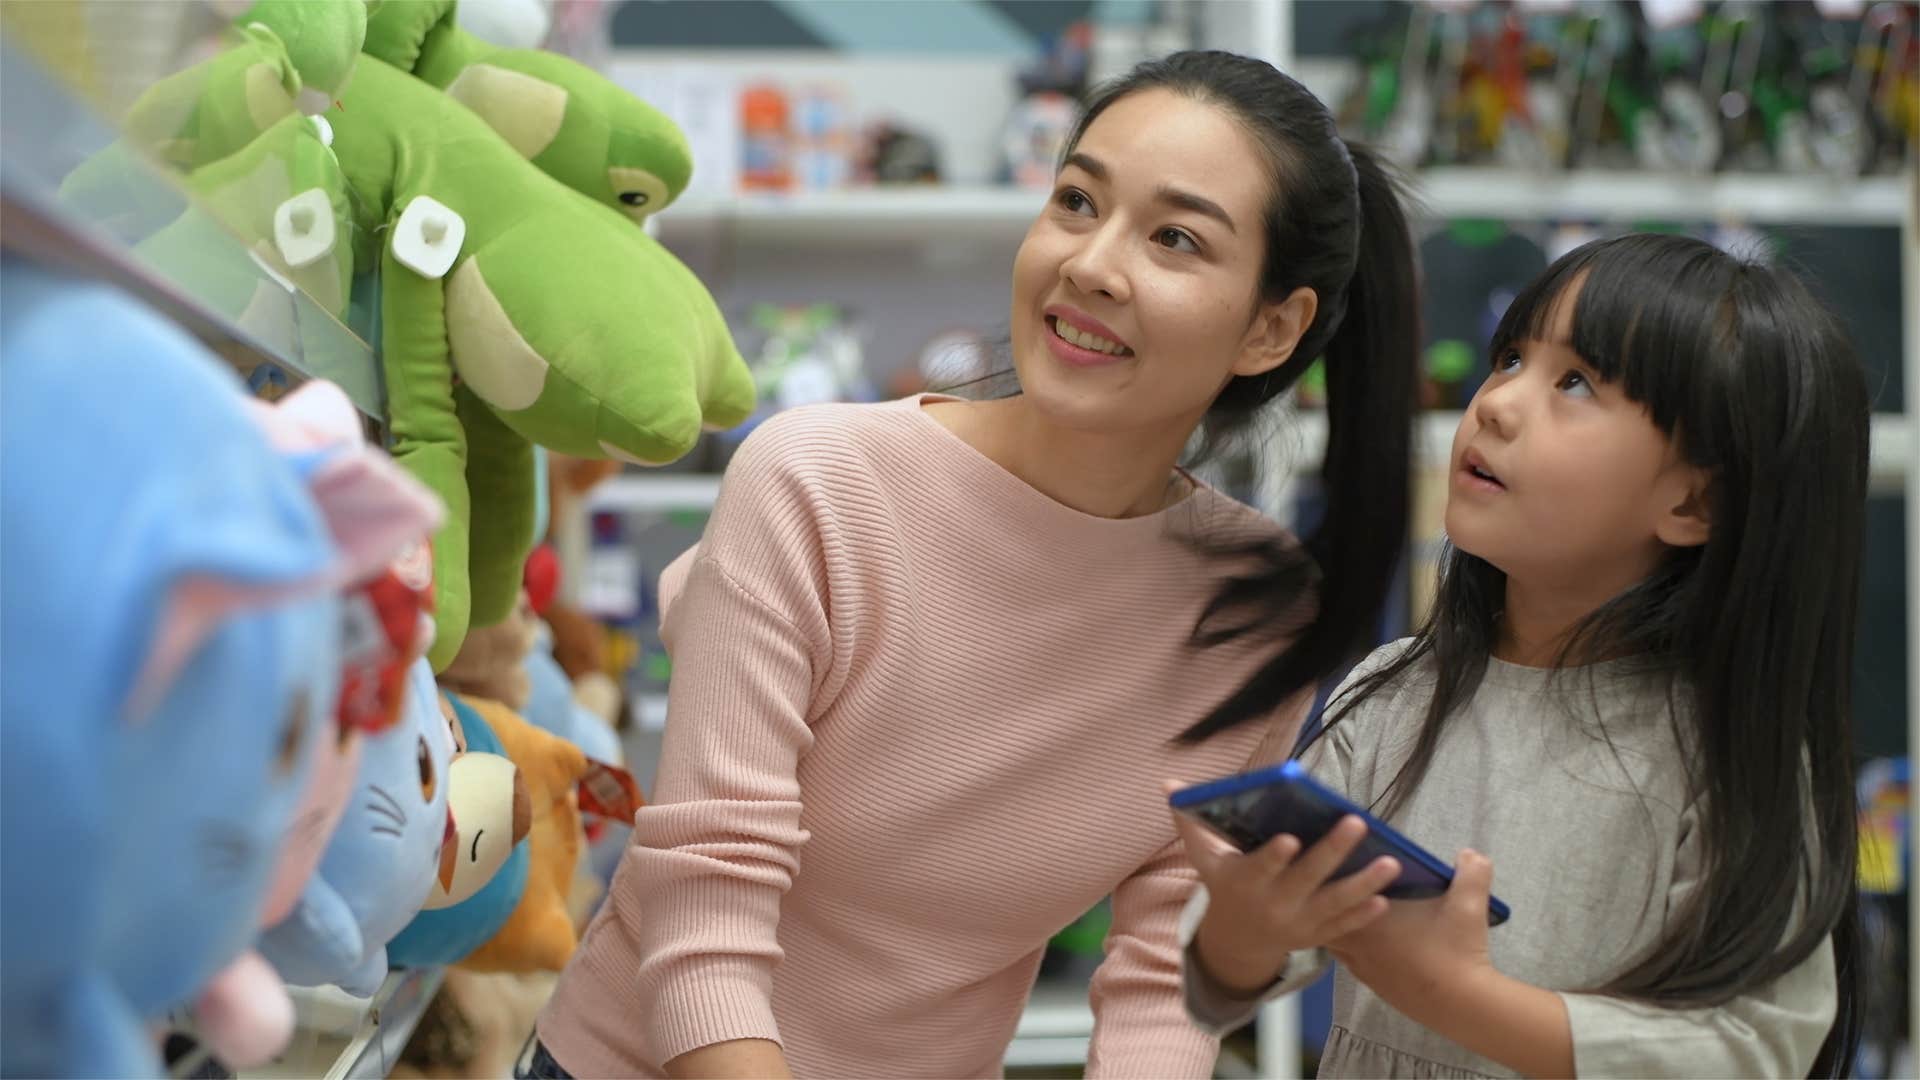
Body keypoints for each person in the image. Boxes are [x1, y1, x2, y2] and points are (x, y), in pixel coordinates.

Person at [529, 50, 1422, 1078]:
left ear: (1272, 328)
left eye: (1174, 238)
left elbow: (1162, 986)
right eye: (1078, 200)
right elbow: (708, 906)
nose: (1090, 262)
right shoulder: (816, 482)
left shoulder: (1254, 609)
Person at [1177, 233, 1867, 1078]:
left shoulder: (1725, 757)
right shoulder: (1390, 698)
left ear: (1694, 498)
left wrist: (1461, 999)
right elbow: (1220, 988)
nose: (1496, 403)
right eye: (1509, 359)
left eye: (1575, 382)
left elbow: (1753, 1051)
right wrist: (1240, 935)